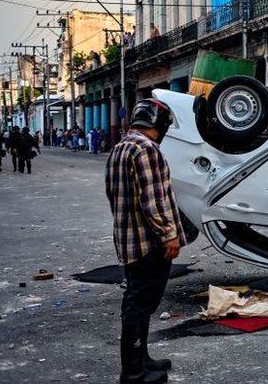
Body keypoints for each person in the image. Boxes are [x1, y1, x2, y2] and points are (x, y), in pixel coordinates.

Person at [105, 99, 185, 383]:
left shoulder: (120, 148)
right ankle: (133, 372)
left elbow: (115, 195)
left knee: (138, 301)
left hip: (129, 239)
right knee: (140, 304)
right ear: (158, 124)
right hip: (149, 243)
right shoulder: (147, 149)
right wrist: (169, 235)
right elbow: (153, 201)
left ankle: (142, 359)